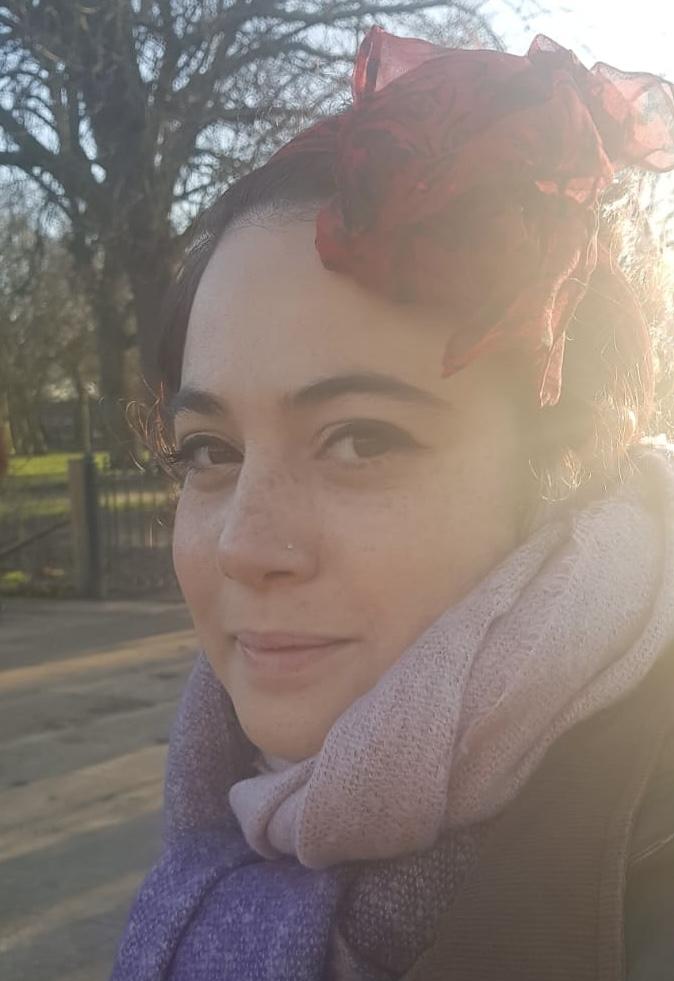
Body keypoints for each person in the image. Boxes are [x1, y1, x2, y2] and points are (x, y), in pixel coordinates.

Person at [111, 27, 674, 981]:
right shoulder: (229, 808)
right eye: (209, 450)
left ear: (565, 473)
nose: (247, 546)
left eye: (362, 439)